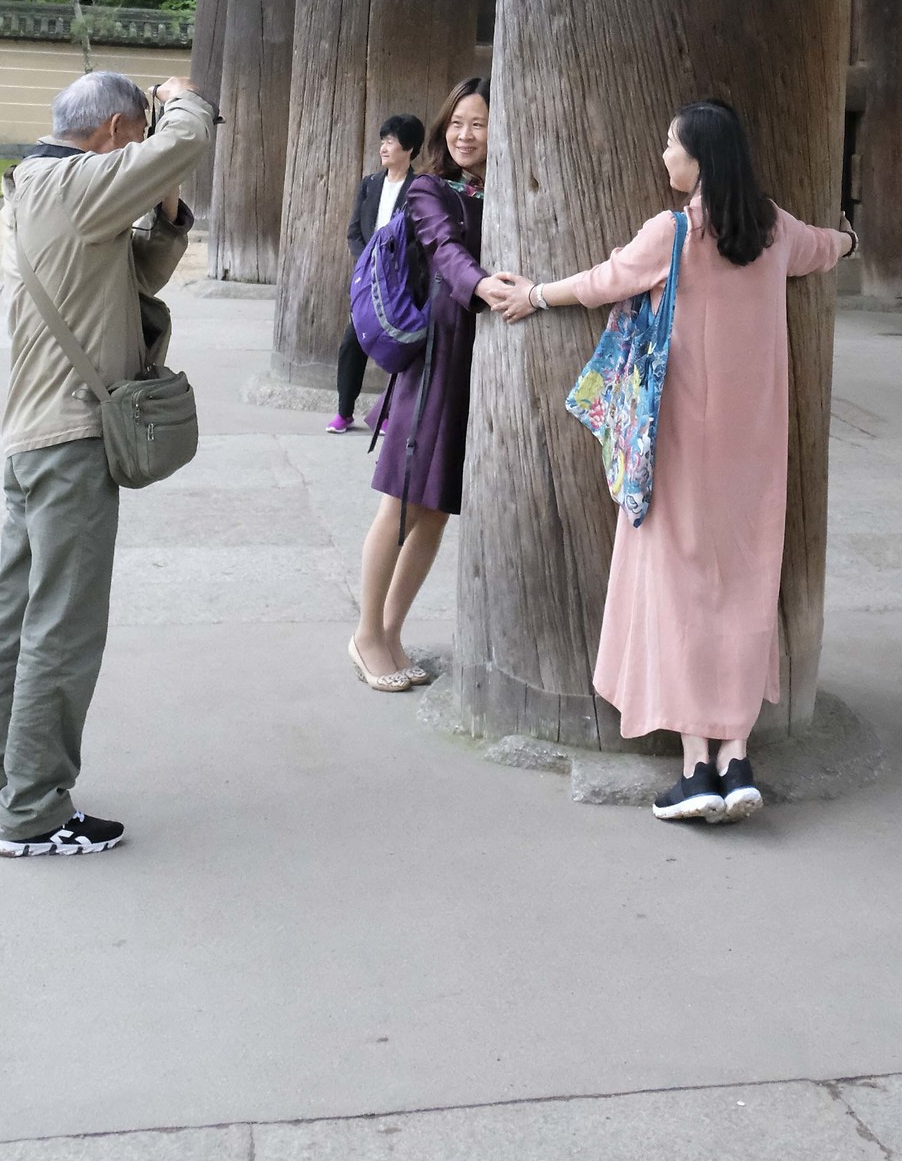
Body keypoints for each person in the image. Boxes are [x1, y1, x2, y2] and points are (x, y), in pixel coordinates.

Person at [488, 100, 854, 826]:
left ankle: (696, 766)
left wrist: (534, 294)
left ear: (699, 160)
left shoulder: (674, 232)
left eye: (671, 146)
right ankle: (738, 755)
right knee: (747, 583)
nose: (664, 157)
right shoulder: (774, 230)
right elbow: (826, 247)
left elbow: (604, 280)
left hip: (681, 444)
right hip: (755, 449)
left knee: (683, 587)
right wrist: (852, 236)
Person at [0, 68, 214, 858]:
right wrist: (181, 97)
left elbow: (136, 274)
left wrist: (165, 208)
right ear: (114, 133)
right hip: (69, 443)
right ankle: (32, 812)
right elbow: (189, 136)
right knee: (64, 627)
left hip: (35, 435)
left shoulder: (41, 186)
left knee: (14, 614)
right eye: (139, 137)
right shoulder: (75, 184)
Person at [348, 76, 493, 694]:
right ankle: (365, 634)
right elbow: (445, 250)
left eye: (480, 123)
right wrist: (484, 286)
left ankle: (392, 629)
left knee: (434, 513)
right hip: (434, 362)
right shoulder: (429, 189)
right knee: (403, 503)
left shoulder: (503, 193)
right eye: (457, 121)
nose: (465, 134)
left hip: (477, 366)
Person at [328, 112, 426, 434]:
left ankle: (386, 415)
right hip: (367, 281)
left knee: (397, 346)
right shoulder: (369, 184)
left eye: (391, 141)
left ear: (409, 148)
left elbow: (420, 239)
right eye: (383, 141)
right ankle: (344, 412)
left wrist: (393, 263)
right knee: (352, 343)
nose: (384, 147)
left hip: (400, 282)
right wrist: (368, 262)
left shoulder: (419, 188)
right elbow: (354, 232)